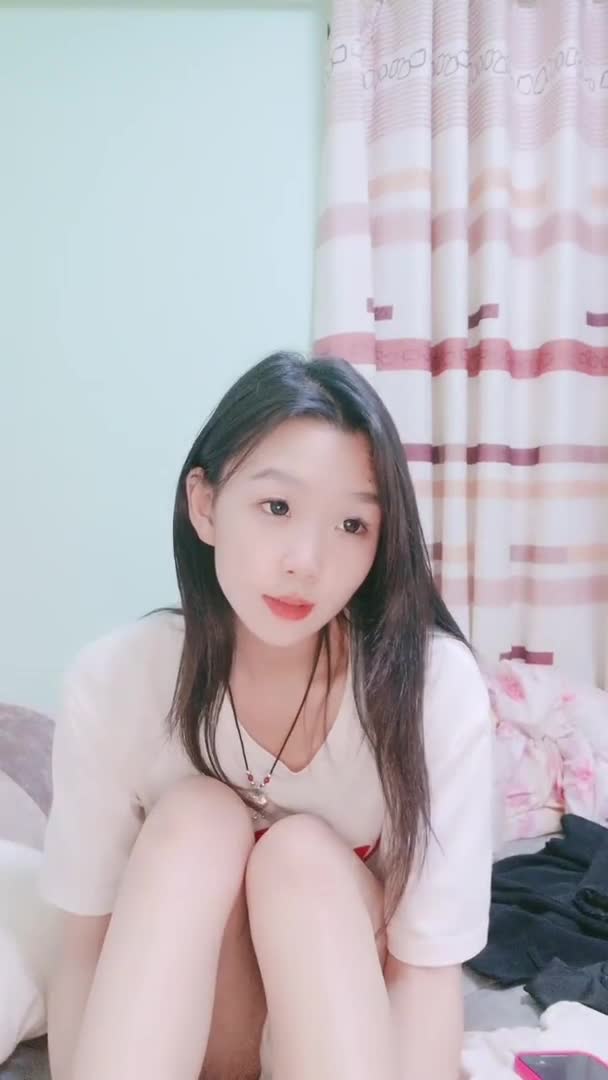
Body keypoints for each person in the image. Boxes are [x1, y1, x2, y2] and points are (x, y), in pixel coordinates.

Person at [40, 352, 493, 1080]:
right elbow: (84, 945)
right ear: (205, 505)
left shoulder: (432, 689)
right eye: (277, 507)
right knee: (197, 819)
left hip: (338, 1027)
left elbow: (426, 972)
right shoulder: (116, 681)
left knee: (298, 856)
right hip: (181, 1032)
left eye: (352, 524)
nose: (305, 562)